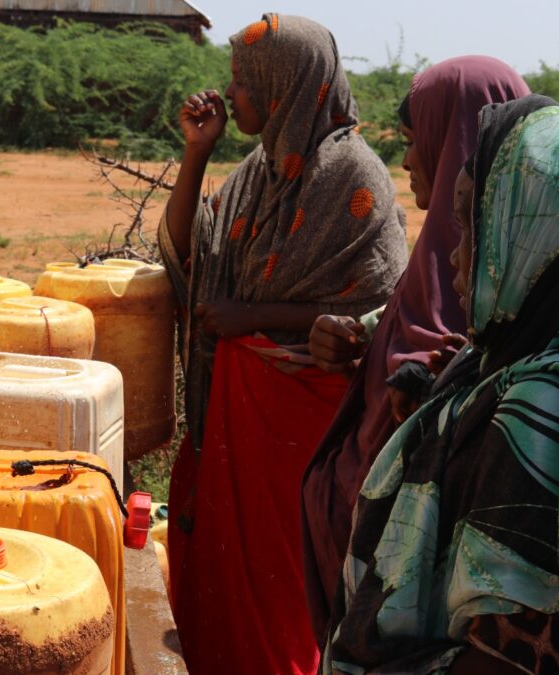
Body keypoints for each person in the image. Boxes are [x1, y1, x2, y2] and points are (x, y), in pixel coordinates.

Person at [322, 94, 559, 674]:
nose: (457, 255)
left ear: (543, 242)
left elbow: (517, 661)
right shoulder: (511, 365)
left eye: (475, 224)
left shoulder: (550, 415)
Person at [158, 13, 408, 674]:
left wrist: (255, 313)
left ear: (286, 85)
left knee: (283, 597)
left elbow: (375, 312)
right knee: (227, 604)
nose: (229, 94)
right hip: (239, 418)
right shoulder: (260, 169)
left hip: (303, 428)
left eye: (244, 82)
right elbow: (189, 255)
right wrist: (196, 152)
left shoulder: (353, 176)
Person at [302, 56, 530, 637]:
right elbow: (407, 320)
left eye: (414, 140)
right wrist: (358, 333)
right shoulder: (436, 253)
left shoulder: (518, 280)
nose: (405, 160)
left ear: (456, 140)